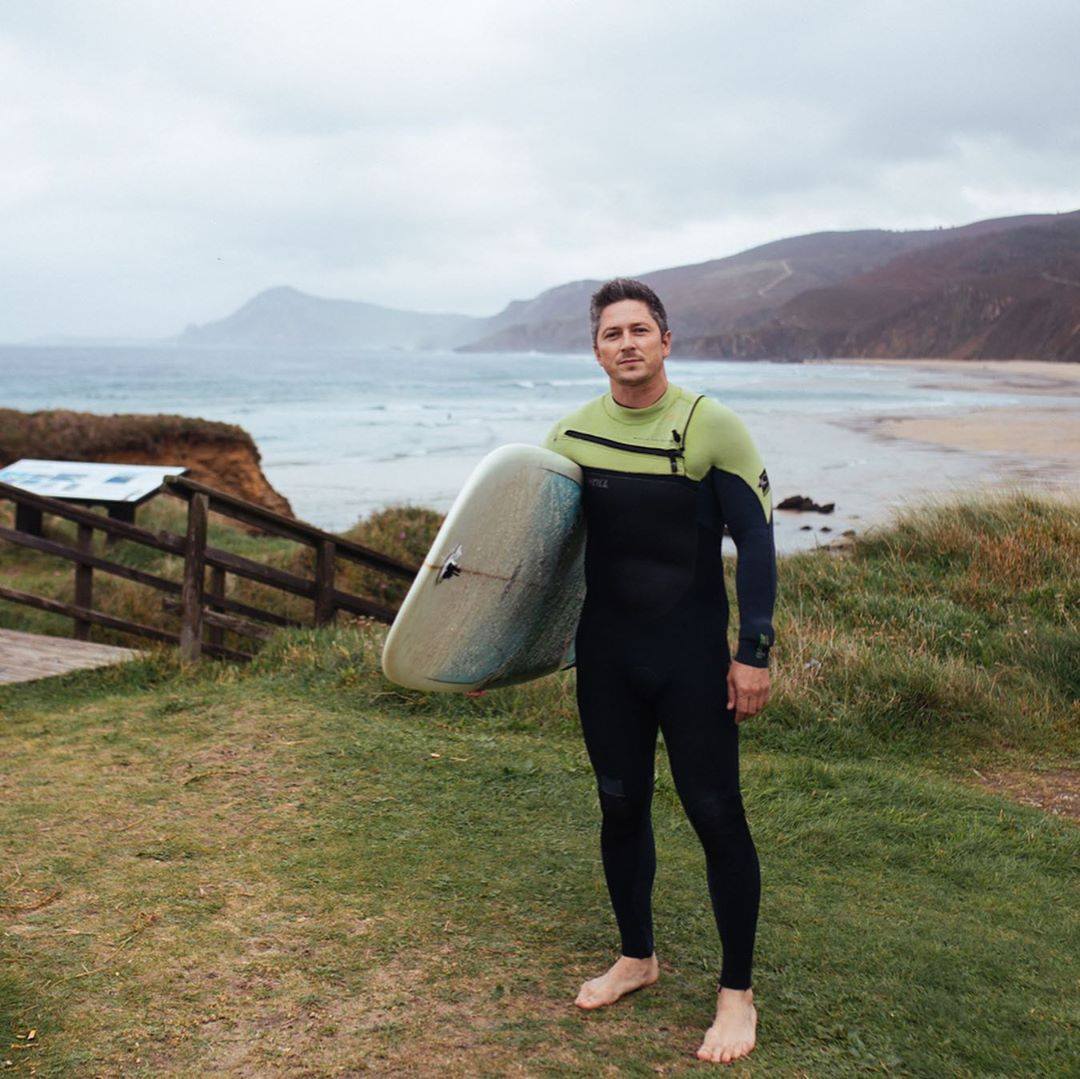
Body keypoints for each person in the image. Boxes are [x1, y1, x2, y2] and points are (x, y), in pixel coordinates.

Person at [543, 278, 775, 1065]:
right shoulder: (570, 435)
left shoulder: (712, 427)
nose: (628, 343)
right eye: (613, 333)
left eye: (642, 329)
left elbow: (758, 541)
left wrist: (754, 654)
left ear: (666, 341)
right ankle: (637, 955)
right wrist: (495, 654)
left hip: (689, 657)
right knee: (618, 804)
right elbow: (537, 556)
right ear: (597, 349)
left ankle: (736, 993)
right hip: (607, 656)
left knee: (715, 812)